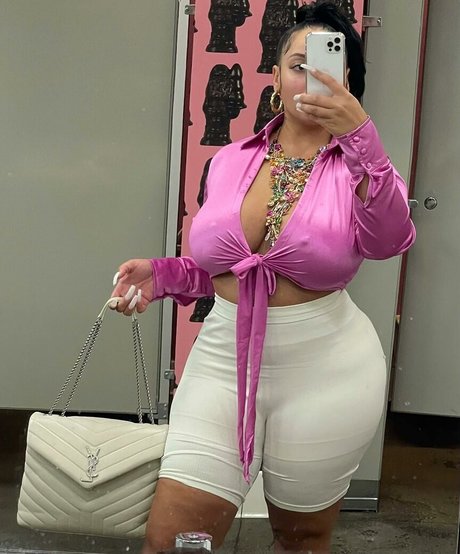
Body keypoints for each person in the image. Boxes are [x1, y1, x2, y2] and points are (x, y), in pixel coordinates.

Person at [110, 2, 416, 552]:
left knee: (300, 539)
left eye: (328, 67)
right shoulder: (229, 161)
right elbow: (223, 268)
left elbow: (389, 240)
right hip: (222, 362)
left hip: (328, 371)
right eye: (298, 65)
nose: (311, 78)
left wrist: (361, 138)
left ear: (349, 82)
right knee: (171, 541)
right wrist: (161, 276)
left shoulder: (361, 169)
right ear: (274, 77)